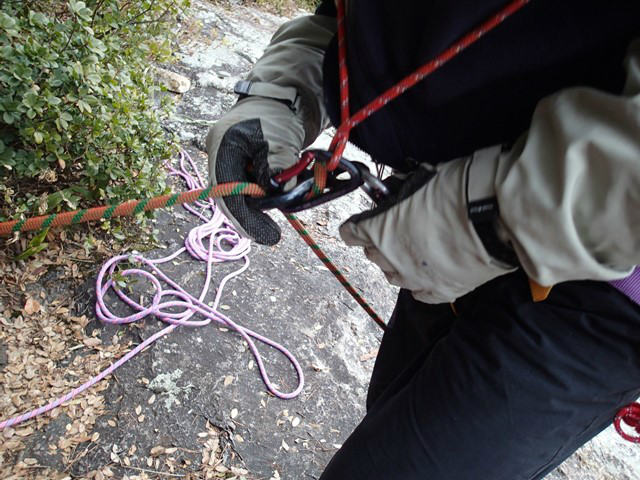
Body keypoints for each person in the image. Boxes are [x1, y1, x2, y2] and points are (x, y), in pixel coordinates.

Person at [206, 1, 640, 478]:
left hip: (600, 298)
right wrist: (284, 88)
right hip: (450, 195)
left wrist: (494, 217)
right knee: (389, 409)